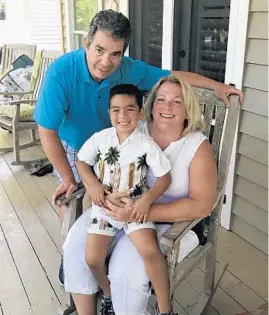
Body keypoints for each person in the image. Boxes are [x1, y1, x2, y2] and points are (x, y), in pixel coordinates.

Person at [33, 8, 242, 315]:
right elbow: (50, 133)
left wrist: (217, 85)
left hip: (145, 212)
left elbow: (171, 77)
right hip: (86, 157)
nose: (106, 61)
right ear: (87, 44)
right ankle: (92, 303)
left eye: (115, 54)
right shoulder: (123, 126)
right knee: (78, 248)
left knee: (124, 265)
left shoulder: (191, 144)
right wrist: (78, 182)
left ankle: (154, 307)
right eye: (100, 50)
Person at [63, 75, 217, 315]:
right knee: (75, 246)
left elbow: (202, 206)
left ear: (188, 109)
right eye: (161, 99)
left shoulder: (196, 146)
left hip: (170, 222)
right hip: (114, 209)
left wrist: (136, 212)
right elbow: (93, 161)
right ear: (151, 106)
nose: (167, 107)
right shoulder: (132, 128)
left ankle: (160, 310)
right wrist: (90, 184)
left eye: (177, 102)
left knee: (126, 270)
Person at [77, 83, 174, 314]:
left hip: (134, 208)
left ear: (140, 112)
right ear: (109, 112)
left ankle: (165, 309)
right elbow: (82, 162)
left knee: (150, 252)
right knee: (92, 259)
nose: (122, 116)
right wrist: (93, 185)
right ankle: (108, 292)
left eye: (130, 109)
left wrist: (146, 200)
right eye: (116, 110)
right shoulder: (100, 139)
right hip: (105, 207)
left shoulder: (145, 144)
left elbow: (164, 178)